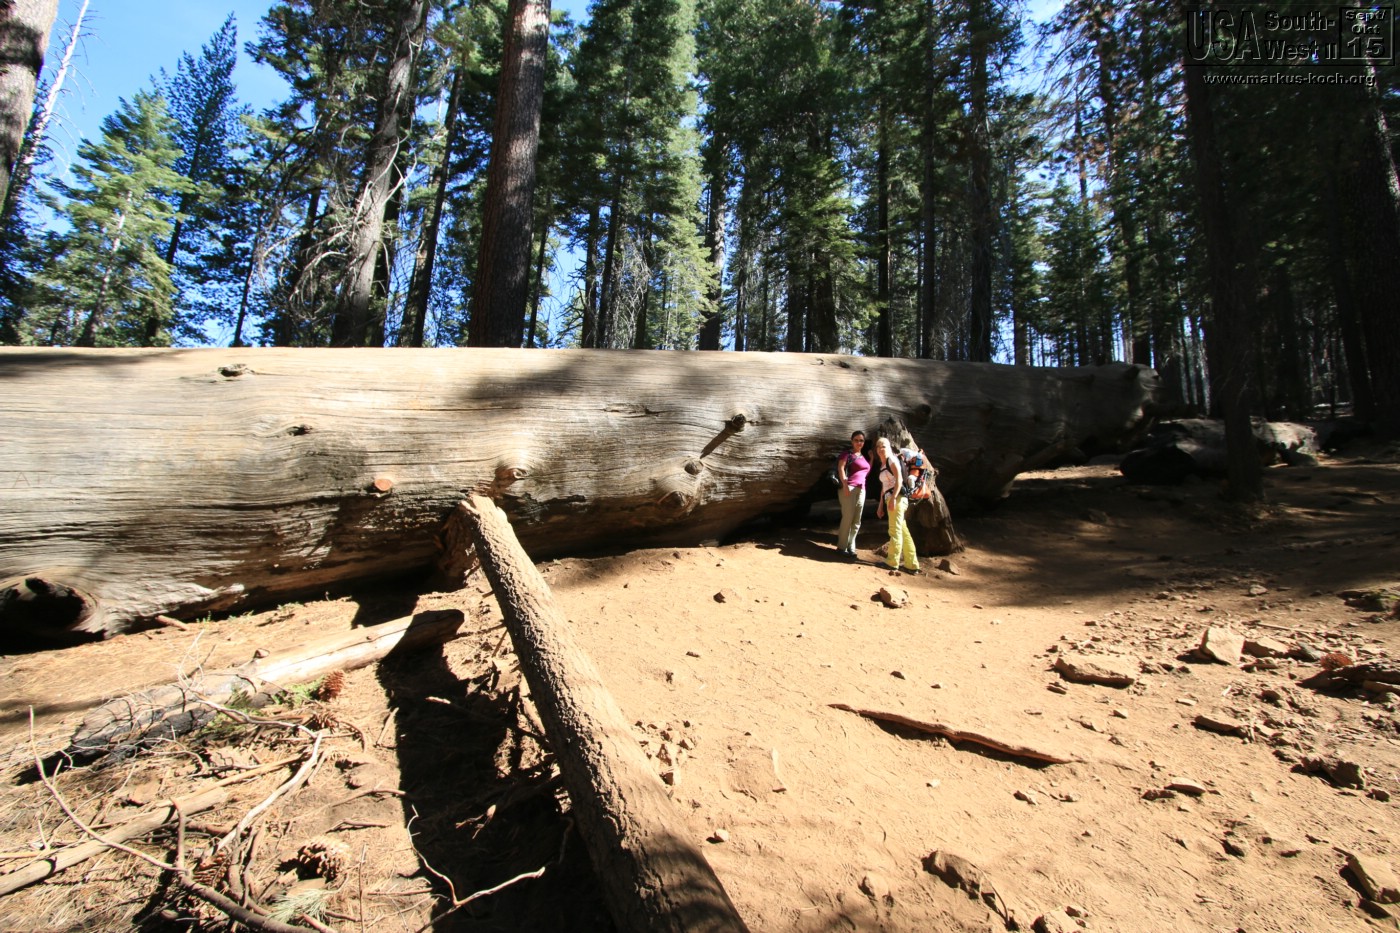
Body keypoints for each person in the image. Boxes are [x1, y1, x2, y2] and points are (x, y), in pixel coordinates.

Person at [874, 437, 920, 575]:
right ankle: (912, 565)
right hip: (891, 498)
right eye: (879, 446)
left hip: (898, 499)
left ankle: (892, 562)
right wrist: (880, 505)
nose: (881, 449)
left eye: (884, 446)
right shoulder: (883, 465)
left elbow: (899, 480)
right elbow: (884, 487)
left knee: (894, 531)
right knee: (903, 531)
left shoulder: (892, 460)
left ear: (889, 447)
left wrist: (894, 498)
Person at [834, 430, 869, 558]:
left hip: (862, 489)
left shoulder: (863, 457)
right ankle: (841, 547)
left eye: (861, 441)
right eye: (856, 440)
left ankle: (851, 546)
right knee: (848, 517)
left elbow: (865, 471)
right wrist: (845, 485)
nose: (859, 443)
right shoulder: (847, 454)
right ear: (852, 441)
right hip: (849, 487)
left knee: (857, 520)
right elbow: (841, 468)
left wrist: (872, 459)